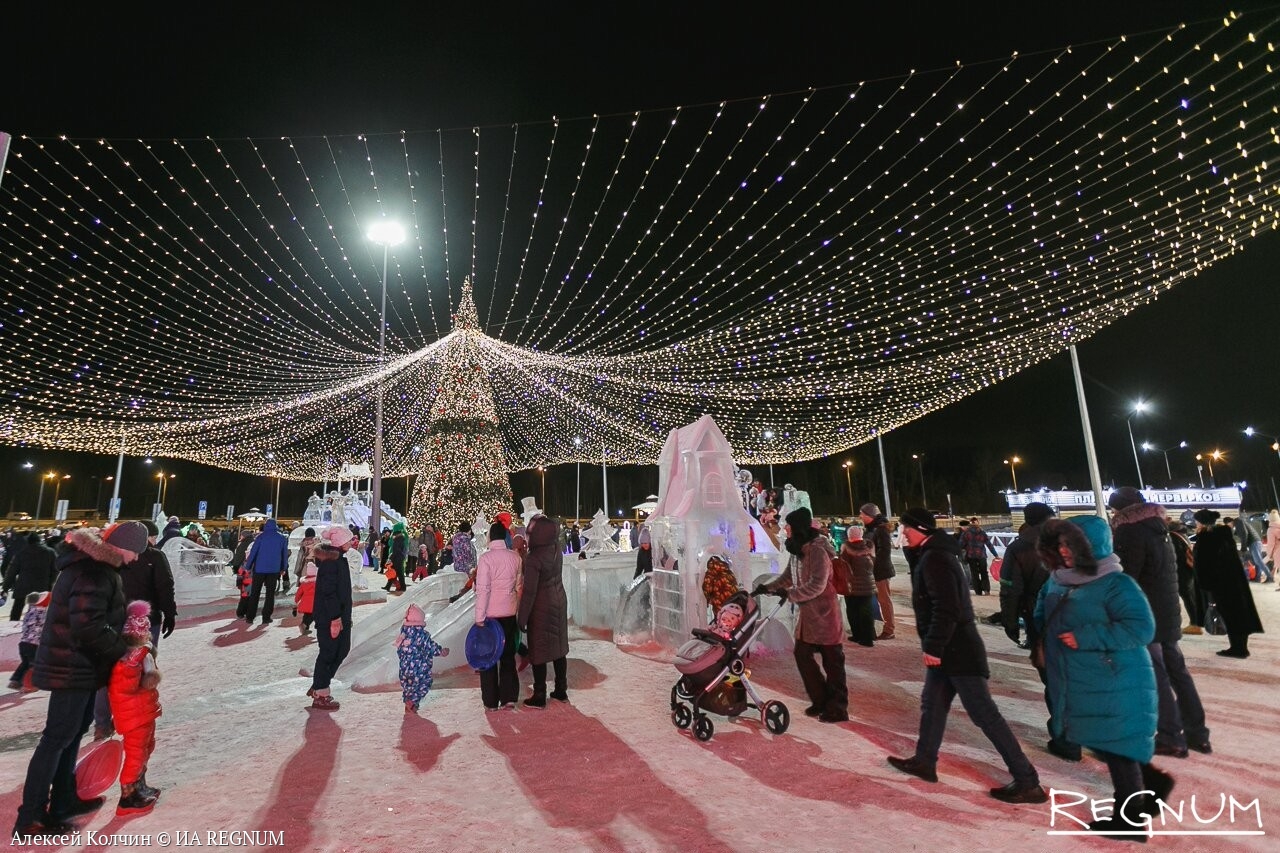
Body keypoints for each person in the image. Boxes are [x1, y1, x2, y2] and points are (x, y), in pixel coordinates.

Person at [887, 508, 1047, 804]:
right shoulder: (930, 554)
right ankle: (925, 760)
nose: (902, 533)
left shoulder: (936, 558)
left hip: (957, 650)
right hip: (950, 649)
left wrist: (933, 646)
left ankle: (1028, 781)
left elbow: (946, 607)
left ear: (919, 529)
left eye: (906, 528)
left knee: (984, 714)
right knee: (932, 705)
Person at [1035, 517, 1172, 839]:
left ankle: (1131, 822)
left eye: (1072, 545)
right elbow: (1044, 612)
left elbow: (1141, 628)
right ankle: (1151, 785)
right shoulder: (1057, 579)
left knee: (1117, 748)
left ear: (1091, 546)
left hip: (1116, 678)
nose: (1065, 551)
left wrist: (1087, 637)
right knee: (1103, 742)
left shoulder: (1115, 583)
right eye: (1061, 545)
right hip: (1080, 677)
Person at [12, 522, 146, 839]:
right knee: (56, 740)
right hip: (72, 666)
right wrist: (122, 650)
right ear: (122, 545)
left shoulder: (95, 567)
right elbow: (88, 626)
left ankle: (62, 801)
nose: (136, 559)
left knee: (70, 736)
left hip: (81, 667)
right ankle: (30, 817)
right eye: (135, 551)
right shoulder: (95, 572)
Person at [1107, 487, 1210, 757]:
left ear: (1121, 510)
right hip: (1167, 613)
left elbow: (1127, 576)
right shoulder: (1158, 527)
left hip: (1146, 616)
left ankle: (1170, 737)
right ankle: (1197, 733)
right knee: (1178, 673)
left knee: (1158, 675)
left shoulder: (1130, 530)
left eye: (1114, 510)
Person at [756, 508, 848, 723]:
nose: (785, 528)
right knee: (802, 655)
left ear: (797, 527)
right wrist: (767, 588)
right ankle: (820, 699)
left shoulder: (817, 551)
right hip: (807, 616)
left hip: (825, 614)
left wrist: (789, 594)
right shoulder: (798, 550)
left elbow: (817, 584)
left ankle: (837, 707)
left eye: (788, 525)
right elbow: (788, 577)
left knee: (833, 661)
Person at [93, 519, 177, 739]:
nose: (153, 541)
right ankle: (130, 718)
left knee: (110, 669)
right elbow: (165, 586)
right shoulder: (155, 556)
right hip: (145, 623)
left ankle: (102, 723)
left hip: (115, 620)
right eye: (152, 536)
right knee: (140, 667)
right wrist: (169, 613)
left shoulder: (111, 557)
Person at [108, 600, 162, 816]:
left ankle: (140, 786)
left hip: (143, 715)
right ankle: (127, 797)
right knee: (135, 754)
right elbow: (129, 682)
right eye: (144, 635)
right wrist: (141, 655)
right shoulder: (125, 662)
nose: (147, 638)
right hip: (133, 719)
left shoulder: (136, 658)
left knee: (146, 749)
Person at [1192, 510, 1264, 658]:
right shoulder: (1223, 535)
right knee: (1238, 614)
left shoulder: (1207, 538)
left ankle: (1238, 649)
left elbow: (1204, 565)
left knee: (1230, 614)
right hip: (1233, 581)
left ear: (1201, 522)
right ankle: (1239, 647)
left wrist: (1205, 585)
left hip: (1219, 583)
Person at [518, 515, 569, 707]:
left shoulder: (534, 558)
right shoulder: (557, 549)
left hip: (540, 606)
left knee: (538, 649)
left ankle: (539, 694)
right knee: (558, 647)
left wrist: (522, 618)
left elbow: (530, 591)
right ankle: (561, 689)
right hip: (559, 601)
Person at [307, 526, 356, 710]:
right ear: (340, 542)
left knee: (342, 650)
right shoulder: (330, 563)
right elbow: (328, 593)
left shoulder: (338, 560)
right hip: (330, 617)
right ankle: (320, 693)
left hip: (340, 616)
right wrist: (335, 617)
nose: (351, 543)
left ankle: (320, 683)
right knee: (329, 653)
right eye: (348, 540)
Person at [474, 521, 521, 711]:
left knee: (488, 659)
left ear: (490, 537)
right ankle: (509, 697)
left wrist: (479, 617)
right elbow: (518, 587)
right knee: (508, 656)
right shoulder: (515, 558)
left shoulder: (486, 559)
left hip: (490, 617)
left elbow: (483, 590)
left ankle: (490, 701)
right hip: (509, 614)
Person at [397, 603, 448, 713]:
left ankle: (408, 702)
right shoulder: (422, 635)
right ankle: (413, 701)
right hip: (419, 668)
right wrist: (441, 651)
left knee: (408, 686)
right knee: (425, 682)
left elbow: (399, 651)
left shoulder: (402, 636)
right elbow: (431, 647)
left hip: (404, 668)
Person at [859, 503, 896, 640]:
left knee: (884, 600)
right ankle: (875, 627)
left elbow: (884, 551)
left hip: (880, 571)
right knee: (876, 600)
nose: (860, 516)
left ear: (869, 515)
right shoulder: (871, 529)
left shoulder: (880, 529)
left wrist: (870, 562)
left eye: (862, 513)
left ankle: (889, 629)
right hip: (872, 570)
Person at [243, 519, 289, 625]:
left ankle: (250, 617)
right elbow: (284, 555)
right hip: (274, 570)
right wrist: (283, 568)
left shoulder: (260, 537)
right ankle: (266, 617)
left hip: (259, 569)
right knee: (270, 594)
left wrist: (248, 566)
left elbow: (253, 552)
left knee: (255, 593)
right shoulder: (281, 538)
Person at [838, 526, 877, 647]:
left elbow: (842, 566)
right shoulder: (870, 546)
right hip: (868, 583)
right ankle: (868, 637)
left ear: (849, 535)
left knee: (853, 610)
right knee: (867, 610)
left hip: (852, 585)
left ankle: (857, 635)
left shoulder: (846, 547)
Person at [4, 532, 55, 621]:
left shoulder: (21, 553)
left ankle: (12, 627)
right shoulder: (50, 552)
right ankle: (36, 630)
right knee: (39, 611)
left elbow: (11, 572)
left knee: (17, 609)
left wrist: (5, 588)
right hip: (42, 586)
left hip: (23, 586)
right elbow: (55, 570)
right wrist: (50, 583)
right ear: (39, 541)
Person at [8, 591, 49, 691]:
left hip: (23, 643)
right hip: (33, 644)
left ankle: (15, 681)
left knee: (25, 663)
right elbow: (47, 625)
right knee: (34, 665)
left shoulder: (29, 612)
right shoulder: (41, 612)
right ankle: (28, 685)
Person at [1167, 520, 1202, 634]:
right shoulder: (1183, 536)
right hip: (1189, 570)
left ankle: (1195, 625)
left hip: (1182, 571)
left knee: (1187, 597)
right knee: (1190, 596)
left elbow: (1175, 556)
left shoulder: (1173, 537)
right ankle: (1196, 623)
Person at [958, 517, 999, 596]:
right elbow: (989, 544)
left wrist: (958, 551)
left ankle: (978, 591)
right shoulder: (982, 532)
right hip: (981, 555)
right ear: (978, 523)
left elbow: (960, 544)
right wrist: (995, 554)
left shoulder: (966, 533)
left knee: (974, 574)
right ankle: (986, 590)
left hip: (971, 555)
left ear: (970, 524)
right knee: (984, 573)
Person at [294, 562, 317, 634]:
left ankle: (305, 628)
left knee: (307, 615)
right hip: (314, 604)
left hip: (305, 604)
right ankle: (304, 625)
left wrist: (296, 600)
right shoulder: (318, 583)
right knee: (313, 615)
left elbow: (298, 593)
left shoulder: (304, 583)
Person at [388, 521, 410, 592]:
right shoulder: (401, 538)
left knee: (398, 573)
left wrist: (392, 556)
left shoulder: (399, 539)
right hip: (398, 558)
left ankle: (402, 587)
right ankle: (389, 586)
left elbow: (397, 549)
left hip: (398, 558)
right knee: (394, 572)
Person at [1264, 509, 1280, 584]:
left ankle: (1270, 577)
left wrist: (1269, 554)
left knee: (1262, 562)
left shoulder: (1271, 529)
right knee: (1276, 565)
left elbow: (1271, 544)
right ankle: (1271, 576)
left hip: (1277, 550)